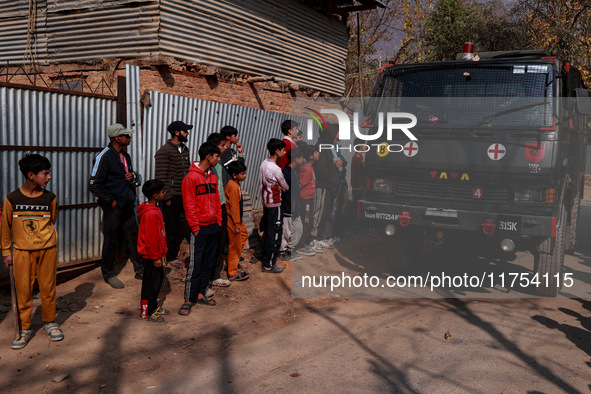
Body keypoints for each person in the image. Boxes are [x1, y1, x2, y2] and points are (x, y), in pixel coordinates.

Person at [2, 154, 63, 349]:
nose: (49, 177)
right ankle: (25, 328)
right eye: (45, 173)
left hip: (47, 249)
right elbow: (5, 227)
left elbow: (51, 220)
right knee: (23, 290)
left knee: (48, 288)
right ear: (31, 175)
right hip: (22, 252)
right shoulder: (12, 198)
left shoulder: (50, 198)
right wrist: (6, 252)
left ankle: (49, 322)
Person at [89, 123, 143, 289]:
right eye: (126, 136)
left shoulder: (125, 156)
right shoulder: (104, 157)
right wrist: (110, 201)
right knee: (111, 239)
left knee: (134, 236)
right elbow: (93, 184)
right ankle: (109, 273)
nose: (129, 138)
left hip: (127, 204)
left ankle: (140, 268)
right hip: (114, 207)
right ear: (117, 138)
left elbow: (128, 177)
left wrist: (132, 176)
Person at [178, 142, 222, 316]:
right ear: (208, 156)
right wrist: (195, 228)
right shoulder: (191, 178)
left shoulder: (213, 177)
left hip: (213, 227)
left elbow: (217, 201)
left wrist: (218, 221)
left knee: (208, 263)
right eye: (217, 156)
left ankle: (200, 293)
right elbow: (189, 206)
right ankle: (188, 299)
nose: (219, 159)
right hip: (200, 229)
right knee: (195, 265)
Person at [154, 120, 192, 268]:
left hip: (185, 194)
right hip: (172, 196)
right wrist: (167, 197)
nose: (187, 133)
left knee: (187, 224)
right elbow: (161, 176)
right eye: (185, 131)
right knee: (171, 228)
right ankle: (169, 257)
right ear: (177, 132)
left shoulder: (185, 149)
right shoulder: (164, 151)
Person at [137, 180, 169, 323]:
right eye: (163, 192)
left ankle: (153, 306)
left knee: (156, 282)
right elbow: (150, 239)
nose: (165, 193)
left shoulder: (155, 210)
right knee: (150, 284)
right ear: (155, 195)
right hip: (151, 256)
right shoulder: (150, 214)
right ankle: (146, 311)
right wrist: (156, 257)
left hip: (156, 254)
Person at [259, 138, 289, 273]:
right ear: (277, 151)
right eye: (283, 150)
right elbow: (285, 186)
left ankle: (260, 256)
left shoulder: (264, 163)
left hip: (266, 202)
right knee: (275, 234)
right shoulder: (276, 169)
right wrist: (281, 187)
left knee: (268, 230)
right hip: (275, 203)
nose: (285, 152)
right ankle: (269, 264)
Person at [206, 133, 231, 287]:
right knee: (211, 244)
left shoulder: (219, 164)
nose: (225, 147)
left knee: (220, 243)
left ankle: (215, 275)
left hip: (221, 207)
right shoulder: (207, 167)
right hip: (211, 209)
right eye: (222, 145)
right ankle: (208, 277)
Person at [224, 161, 250, 281]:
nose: (244, 176)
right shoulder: (233, 187)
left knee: (243, 236)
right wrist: (236, 224)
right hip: (233, 220)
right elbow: (234, 207)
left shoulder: (235, 184)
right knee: (235, 246)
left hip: (236, 219)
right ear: (235, 175)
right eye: (242, 174)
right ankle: (232, 272)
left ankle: (232, 260)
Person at [279, 148, 305, 260]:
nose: (303, 160)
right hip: (288, 207)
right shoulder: (286, 173)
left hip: (294, 207)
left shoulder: (293, 171)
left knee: (298, 228)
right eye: (302, 158)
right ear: (296, 159)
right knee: (286, 231)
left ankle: (289, 249)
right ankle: (283, 252)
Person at [296, 144, 321, 256]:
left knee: (309, 222)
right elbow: (301, 185)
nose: (318, 154)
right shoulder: (307, 169)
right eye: (316, 152)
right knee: (307, 222)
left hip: (309, 199)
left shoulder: (310, 168)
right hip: (305, 199)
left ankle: (303, 243)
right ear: (311, 156)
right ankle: (300, 246)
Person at [351, 138, 367, 217]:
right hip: (358, 187)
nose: (366, 146)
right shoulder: (357, 158)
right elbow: (361, 172)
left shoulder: (359, 157)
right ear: (360, 146)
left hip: (359, 186)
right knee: (356, 207)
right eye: (364, 144)